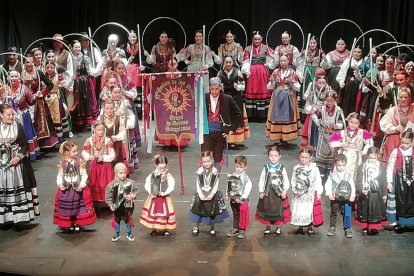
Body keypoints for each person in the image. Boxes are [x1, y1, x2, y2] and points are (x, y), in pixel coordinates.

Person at [0, 103, 37, 227]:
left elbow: (25, 144)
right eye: (8, 114)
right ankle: (5, 219)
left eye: (12, 114)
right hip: (1, 166)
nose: (11, 117)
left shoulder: (18, 126)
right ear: (1, 115)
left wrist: (18, 157)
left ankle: (19, 218)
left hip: (16, 165)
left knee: (17, 190)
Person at [53, 141, 96, 233]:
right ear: (67, 152)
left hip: (77, 189)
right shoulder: (62, 163)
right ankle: (69, 223)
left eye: (76, 151)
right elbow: (60, 175)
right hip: (66, 190)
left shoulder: (79, 162)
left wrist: (82, 184)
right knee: (68, 208)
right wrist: (60, 184)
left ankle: (77, 223)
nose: (76, 153)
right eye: (74, 151)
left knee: (78, 207)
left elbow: (84, 175)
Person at [201, 77, 241, 171]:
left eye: (217, 89)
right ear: (209, 88)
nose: (214, 92)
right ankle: (206, 179)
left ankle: (215, 179)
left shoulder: (227, 98)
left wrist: (231, 129)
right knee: (206, 157)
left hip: (221, 133)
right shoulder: (204, 98)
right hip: (206, 132)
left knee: (218, 158)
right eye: (212, 89)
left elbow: (238, 115)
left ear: (220, 88)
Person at [189, 151, 229, 237]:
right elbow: (198, 183)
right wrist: (200, 194)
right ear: (201, 162)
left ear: (212, 160)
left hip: (212, 195)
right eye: (204, 162)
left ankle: (212, 228)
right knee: (198, 212)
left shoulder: (215, 171)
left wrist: (212, 193)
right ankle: (196, 227)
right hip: (201, 195)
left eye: (208, 161)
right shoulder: (200, 171)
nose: (206, 164)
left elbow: (216, 184)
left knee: (213, 212)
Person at [256, 145, 291, 237]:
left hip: (278, 195)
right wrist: (261, 191)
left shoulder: (282, 168)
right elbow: (262, 180)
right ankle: (267, 227)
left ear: (279, 156)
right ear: (268, 156)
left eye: (275, 156)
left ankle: (278, 227)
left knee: (277, 211)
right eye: (271, 156)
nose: (273, 158)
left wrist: (284, 191)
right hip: (268, 193)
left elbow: (286, 181)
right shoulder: (266, 168)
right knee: (267, 209)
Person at [266, 54, 301, 145]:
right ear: (279, 62)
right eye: (281, 61)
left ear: (288, 61)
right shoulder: (275, 72)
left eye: (285, 61)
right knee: (276, 116)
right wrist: (272, 81)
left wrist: (292, 83)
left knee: (288, 116)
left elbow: (297, 87)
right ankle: (278, 136)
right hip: (277, 97)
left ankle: (286, 137)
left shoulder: (292, 72)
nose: (283, 62)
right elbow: (270, 87)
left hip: (289, 96)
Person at [81, 120, 115, 213]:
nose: (101, 132)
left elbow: (112, 155)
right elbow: (84, 152)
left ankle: (107, 202)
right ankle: (95, 203)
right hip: (94, 167)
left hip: (105, 167)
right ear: (94, 130)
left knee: (105, 183)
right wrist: (89, 156)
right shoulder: (89, 140)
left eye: (102, 130)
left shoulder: (108, 141)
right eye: (99, 130)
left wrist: (103, 158)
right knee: (94, 183)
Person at [241, 31, 275, 121]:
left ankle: (262, 115)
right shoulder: (248, 49)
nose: (256, 41)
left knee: (262, 90)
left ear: (261, 39)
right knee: (251, 90)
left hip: (262, 73)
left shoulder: (266, 48)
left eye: (258, 39)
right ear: (252, 39)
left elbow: (273, 58)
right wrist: (246, 70)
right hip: (251, 73)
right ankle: (251, 115)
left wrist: (269, 64)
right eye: (255, 39)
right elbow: (245, 61)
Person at [140, 155, 177, 237]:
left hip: (164, 197)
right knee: (154, 213)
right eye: (160, 168)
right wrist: (151, 192)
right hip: (154, 198)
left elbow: (172, 184)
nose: (162, 170)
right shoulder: (153, 175)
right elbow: (147, 184)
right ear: (156, 166)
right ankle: (154, 229)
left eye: (164, 167)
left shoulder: (168, 175)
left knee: (165, 213)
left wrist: (166, 192)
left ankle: (165, 228)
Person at [311, 90, 345, 180]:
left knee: (332, 152)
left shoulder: (338, 110)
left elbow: (342, 123)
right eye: (328, 101)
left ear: (335, 100)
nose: (329, 103)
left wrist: (336, 125)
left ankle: (330, 173)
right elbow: (318, 121)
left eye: (331, 101)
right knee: (322, 151)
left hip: (334, 133)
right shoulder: (321, 109)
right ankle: (320, 173)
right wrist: (313, 114)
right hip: (323, 132)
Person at [217, 56, 250, 148]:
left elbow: (243, 86)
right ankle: (225, 140)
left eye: (230, 62)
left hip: (236, 98)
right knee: (225, 118)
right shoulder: (220, 73)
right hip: (224, 99)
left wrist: (238, 87)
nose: (228, 64)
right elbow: (216, 85)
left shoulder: (238, 72)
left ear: (233, 63)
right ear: (224, 63)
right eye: (226, 62)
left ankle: (233, 141)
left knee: (235, 118)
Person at [329, 112, 373, 180]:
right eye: (351, 122)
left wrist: (364, 151)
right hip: (343, 156)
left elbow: (370, 143)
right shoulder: (342, 132)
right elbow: (331, 142)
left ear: (358, 124)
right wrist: (340, 144)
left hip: (355, 158)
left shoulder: (363, 132)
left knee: (352, 177)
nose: (353, 125)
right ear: (348, 121)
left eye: (355, 123)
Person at [7, 70, 40, 160]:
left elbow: (31, 102)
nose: (13, 78)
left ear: (19, 78)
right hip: (9, 118)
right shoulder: (5, 89)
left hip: (23, 116)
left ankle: (26, 154)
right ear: (7, 77)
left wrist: (36, 97)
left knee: (23, 135)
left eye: (15, 76)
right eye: (11, 76)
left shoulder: (24, 88)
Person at [386, 129, 414, 231]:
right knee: (399, 200)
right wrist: (389, 181)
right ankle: (399, 222)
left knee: (409, 199)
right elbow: (390, 166)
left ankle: (410, 222)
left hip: (410, 180)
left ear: (411, 142)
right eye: (402, 142)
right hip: (398, 179)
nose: (404, 145)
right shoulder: (396, 151)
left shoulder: (413, 151)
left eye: (407, 143)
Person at [290, 148, 323, 235]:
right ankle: (300, 227)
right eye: (302, 157)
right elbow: (293, 180)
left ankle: (310, 227)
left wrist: (319, 192)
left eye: (306, 157)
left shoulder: (314, 168)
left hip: (309, 193)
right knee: (300, 209)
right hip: (299, 193)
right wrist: (295, 190)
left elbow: (318, 180)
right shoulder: (296, 168)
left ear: (310, 157)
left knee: (309, 210)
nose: (304, 159)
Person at [355, 147, 387, 235]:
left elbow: (384, 181)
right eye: (370, 158)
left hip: (376, 193)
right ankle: (365, 227)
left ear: (377, 157)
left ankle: (374, 227)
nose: (372, 160)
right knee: (365, 210)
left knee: (375, 211)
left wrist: (385, 193)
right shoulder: (362, 167)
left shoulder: (381, 167)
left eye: (374, 158)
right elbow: (358, 180)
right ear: (367, 156)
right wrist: (361, 189)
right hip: (365, 193)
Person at [70, 40, 100, 129]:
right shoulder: (70, 58)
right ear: (71, 48)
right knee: (74, 101)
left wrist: (97, 71)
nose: (78, 49)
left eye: (79, 47)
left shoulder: (85, 57)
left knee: (84, 101)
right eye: (76, 47)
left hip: (83, 83)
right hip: (73, 82)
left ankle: (84, 123)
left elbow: (90, 70)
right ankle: (75, 123)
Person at [105, 162, 139, 242]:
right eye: (121, 173)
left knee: (127, 219)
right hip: (117, 206)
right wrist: (110, 204)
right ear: (116, 174)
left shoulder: (131, 182)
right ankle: (117, 233)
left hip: (127, 206)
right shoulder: (112, 184)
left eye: (125, 172)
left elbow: (137, 190)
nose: (123, 175)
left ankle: (129, 233)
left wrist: (133, 195)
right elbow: (107, 195)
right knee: (117, 219)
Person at [325, 154, 355, 238]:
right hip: (335, 198)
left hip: (346, 198)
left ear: (346, 165)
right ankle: (332, 227)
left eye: (343, 165)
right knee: (333, 212)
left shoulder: (348, 175)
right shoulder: (332, 175)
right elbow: (328, 184)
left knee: (347, 213)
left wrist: (352, 195)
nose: (341, 167)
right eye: (339, 165)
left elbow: (352, 185)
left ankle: (347, 228)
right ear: (335, 165)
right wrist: (329, 194)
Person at [380, 88, 414, 162]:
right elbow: (383, 124)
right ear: (397, 98)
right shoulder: (392, 110)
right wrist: (395, 128)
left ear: (409, 98)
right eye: (401, 97)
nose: (403, 99)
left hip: (411, 139)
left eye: (405, 97)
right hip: (394, 140)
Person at [226, 155, 252, 239]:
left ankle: (242, 229)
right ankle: (235, 228)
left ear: (245, 167)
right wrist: (228, 195)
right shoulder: (232, 176)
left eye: (241, 167)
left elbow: (248, 188)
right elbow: (229, 187)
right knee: (235, 214)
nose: (238, 169)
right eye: (237, 166)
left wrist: (242, 197)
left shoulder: (246, 178)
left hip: (242, 201)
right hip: (233, 200)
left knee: (242, 214)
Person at [301, 71, 330, 148]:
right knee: (311, 132)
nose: (322, 85)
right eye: (320, 83)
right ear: (316, 82)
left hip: (324, 115)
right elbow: (307, 103)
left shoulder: (329, 90)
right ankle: (310, 149)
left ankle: (320, 149)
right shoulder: (312, 90)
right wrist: (312, 109)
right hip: (313, 114)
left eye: (324, 83)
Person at [336, 45, 364, 117]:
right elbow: (342, 73)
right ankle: (343, 118)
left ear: (362, 53)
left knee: (355, 104)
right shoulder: (348, 61)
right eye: (355, 52)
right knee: (345, 102)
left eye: (359, 52)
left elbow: (361, 78)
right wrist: (341, 82)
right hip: (347, 85)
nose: (356, 54)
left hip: (357, 86)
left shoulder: (363, 63)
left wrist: (357, 71)